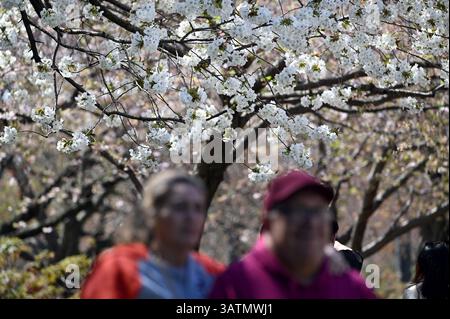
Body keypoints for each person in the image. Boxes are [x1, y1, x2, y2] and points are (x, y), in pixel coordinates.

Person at [209, 170, 376, 299]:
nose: (310, 222)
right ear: (271, 221)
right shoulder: (236, 283)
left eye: (318, 212)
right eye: (298, 211)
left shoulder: (348, 285)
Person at [81, 170, 225, 299]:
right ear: (152, 214)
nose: (191, 217)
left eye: (198, 209)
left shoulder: (213, 273)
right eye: (180, 207)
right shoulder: (120, 267)